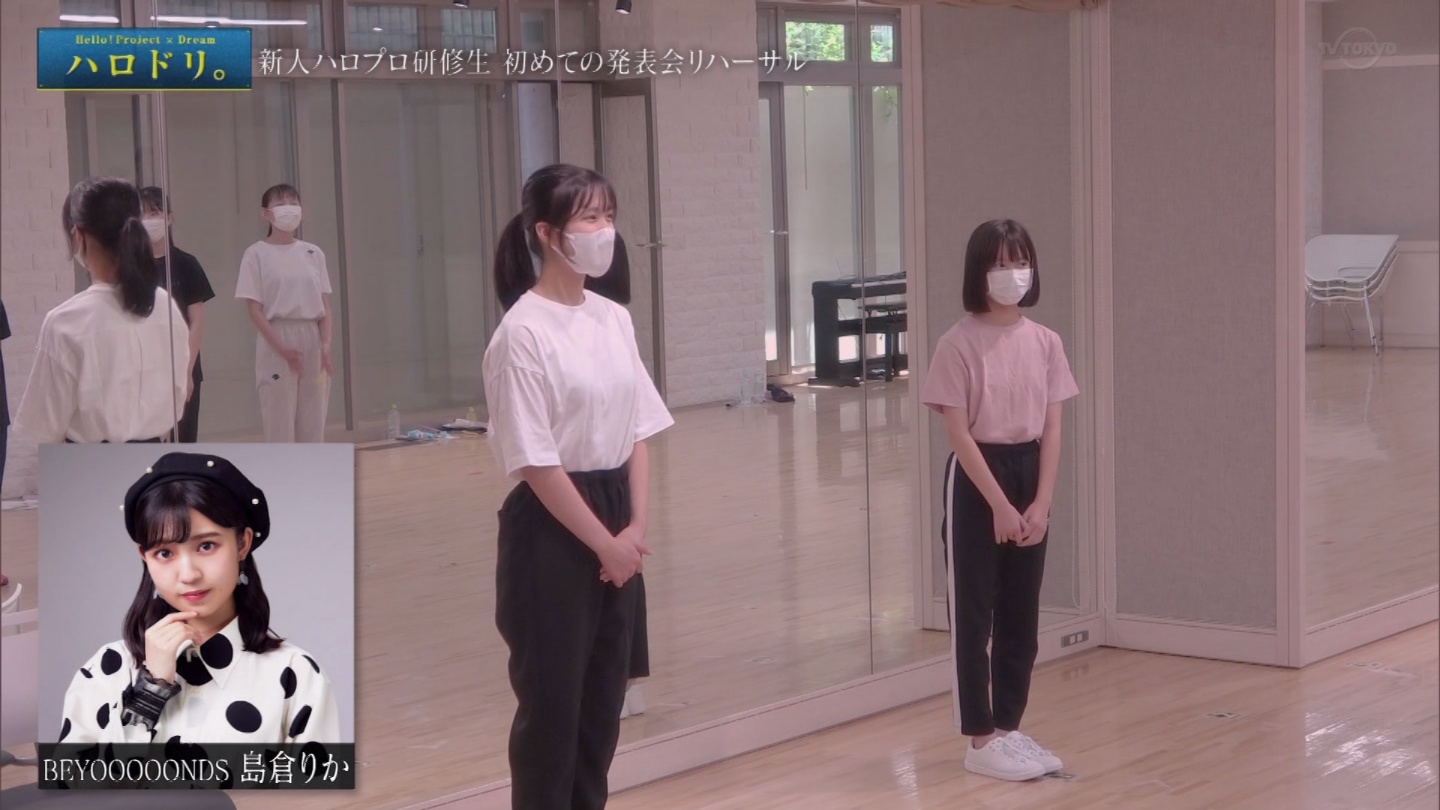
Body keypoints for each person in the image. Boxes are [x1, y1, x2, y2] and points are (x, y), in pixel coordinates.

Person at [483, 164, 673, 810]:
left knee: (601, 708)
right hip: (553, 527)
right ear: (547, 233)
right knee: (552, 714)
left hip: (617, 516)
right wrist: (605, 545)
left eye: (608, 216)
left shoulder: (613, 318)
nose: (604, 231)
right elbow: (536, 464)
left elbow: (637, 430)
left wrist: (634, 530)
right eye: (589, 218)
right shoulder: (522, 333)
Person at [919, 219, 1079, 782]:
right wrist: (1000, 507)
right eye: (1001, 263)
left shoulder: (1047, 341)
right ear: (979, 271)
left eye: (1021, 261)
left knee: (1021, 614)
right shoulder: (957, 343)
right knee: (974, 612)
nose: (1013, 273)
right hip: (976, 477)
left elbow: (1052, 427)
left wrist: (1040, 503)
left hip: (1028, 470)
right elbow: (958, 433)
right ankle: (980, 736)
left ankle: (1009, 728)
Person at [57, 452, 339, 746]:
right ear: (145, 558)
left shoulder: (296, 674)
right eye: (164, 553)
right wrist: (150, 691)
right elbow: (74, 776)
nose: (189, 574)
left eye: (206, 546)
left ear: (243, 543)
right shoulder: (106, 670)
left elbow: (317, 775)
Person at [12, 177, 188, 445]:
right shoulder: (165, 304)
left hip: (89, 460)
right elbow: (176, 396)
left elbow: (44, 426)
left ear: (78, 235)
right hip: (153, 453)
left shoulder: (66, 321)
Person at [236, 184, 333, 443]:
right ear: (265, 213)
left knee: (313, 422)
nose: (288, 208)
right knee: (279, 421)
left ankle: (311, 469)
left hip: (311, 335)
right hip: (277, 334)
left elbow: (324, 306)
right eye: (280, 203)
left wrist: (325, 345)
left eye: (293, 202)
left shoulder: (313, 253)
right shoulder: (256, 254)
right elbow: (254, 309)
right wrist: (282, 348)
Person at [141, 187, 215, 443]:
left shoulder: (186, 264)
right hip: (144, 367)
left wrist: (187, 371)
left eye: (154, 213)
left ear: (169, 218)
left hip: (183, 363)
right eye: (143, 214)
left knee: (183, 440)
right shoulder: (130, 268)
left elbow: (196, 321)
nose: (149, 220)